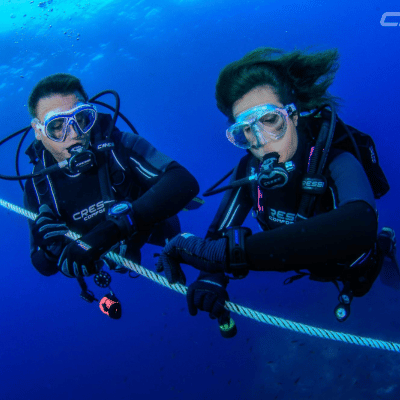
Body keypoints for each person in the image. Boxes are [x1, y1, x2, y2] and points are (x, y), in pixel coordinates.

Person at [157, 47, 397, 329]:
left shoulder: (336, 161)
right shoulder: (249, 170)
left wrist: (228, 257)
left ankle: (386, 244)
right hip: (300, 261)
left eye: (270, 120)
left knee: (362, 282)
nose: (260, 141)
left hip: (353, 266)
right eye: (246, 130)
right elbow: (219, 234)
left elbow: (359, 225)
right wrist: (210, 278)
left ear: (293, 117)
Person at [24, 73, 199, 296]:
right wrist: (50, 250)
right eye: (57, 126)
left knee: (172, 232)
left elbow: (183, 182)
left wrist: (112, 230)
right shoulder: (38, 187)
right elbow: (42, 266)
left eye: (82, 118)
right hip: (92, 251)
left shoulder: (119, 146)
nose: (75, 134)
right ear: (38, 131)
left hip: (144, 228)